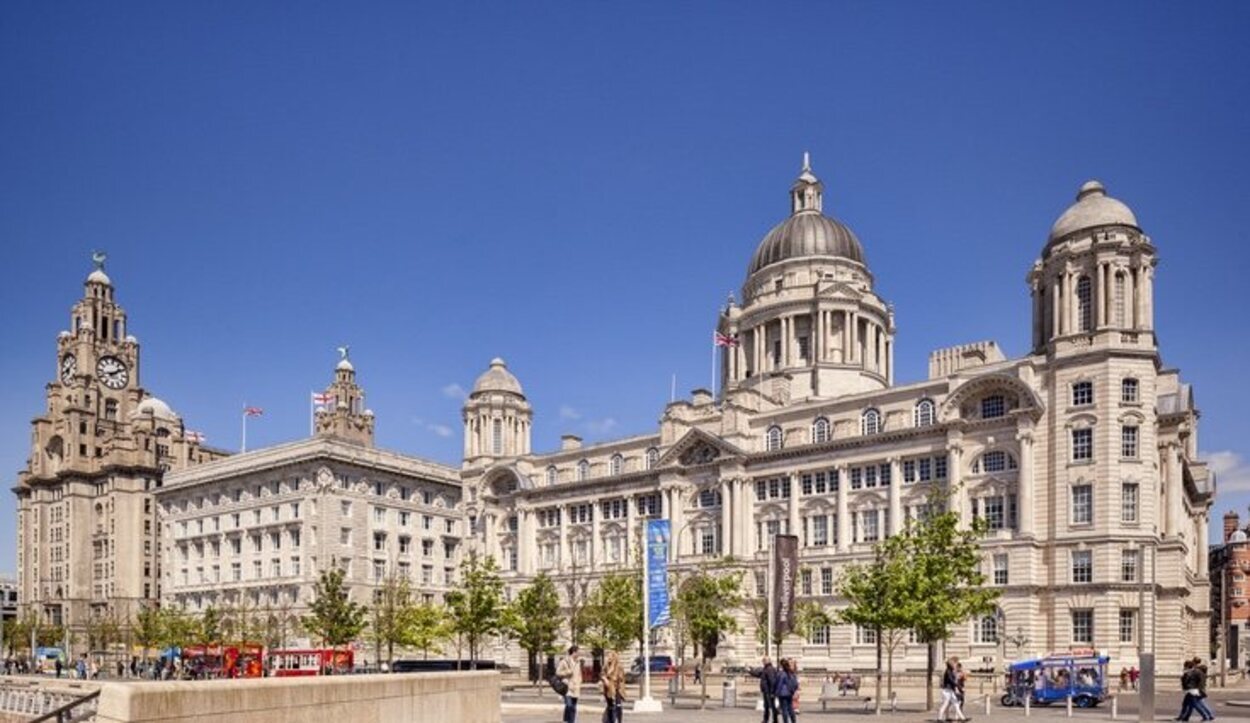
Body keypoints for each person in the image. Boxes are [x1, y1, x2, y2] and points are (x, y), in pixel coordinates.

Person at [556, 644, 583, 723]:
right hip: (567, 687)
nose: (579, 654)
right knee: (569, 705)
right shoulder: (564, 661)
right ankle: (567, 720)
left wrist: (580, 681)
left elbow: (579, 673)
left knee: (574, 707)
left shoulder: (578, 662)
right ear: (574, 652)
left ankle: (571, 721)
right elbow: (558, 672)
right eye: (578, 652)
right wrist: (567, 672)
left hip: (576, 687)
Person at [936, 657, 967, 722]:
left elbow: (953, 680)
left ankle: (962, 718)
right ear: (951, 665)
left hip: (950, 690)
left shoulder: (950, 671)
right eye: (954, 664)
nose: (955, 665)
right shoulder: (948, 671)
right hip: (947, 691)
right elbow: (951, 681)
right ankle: (939, 718)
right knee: (945, 704)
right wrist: (958, 686)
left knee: (956, 703)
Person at [600, 650, 625, 723]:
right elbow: (602, 674)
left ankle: (618, 720)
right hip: (608, 689)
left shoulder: (619, 666)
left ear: (614, 657)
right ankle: (610, 720)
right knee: (610, 706)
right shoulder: (606, 666)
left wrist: (613, 678)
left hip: (617, 689)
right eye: (608, 656)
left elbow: (621, 678)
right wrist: (604, 679)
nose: (608, 658)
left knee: (618, 706)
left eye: (610, 656)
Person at [775, 659, 799, 723]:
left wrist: (776, 693)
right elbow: (795, 683)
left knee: (784, 709)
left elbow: (779, 684)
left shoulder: (782, 674)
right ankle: (793, 720)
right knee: (790, 708)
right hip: (789, 693)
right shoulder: (791, 673)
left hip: (782, 694)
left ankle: (786, 721)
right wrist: (793, 691)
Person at [759, 657, 779, 723]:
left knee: (771, 706)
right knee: (766, 706)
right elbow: (759, 674)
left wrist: (772, 692)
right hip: (766, 690)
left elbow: (772, 681)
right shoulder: (766, 669)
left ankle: (774, 720)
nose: (763, 662)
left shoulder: (769, 669)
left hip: (769, 691)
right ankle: (766, 719)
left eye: (763, 661)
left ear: (766, 661)